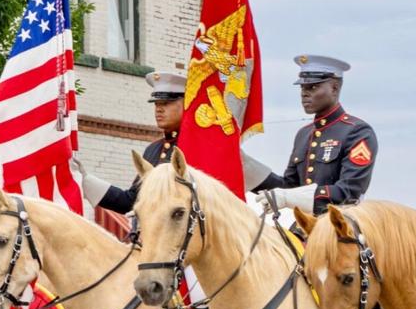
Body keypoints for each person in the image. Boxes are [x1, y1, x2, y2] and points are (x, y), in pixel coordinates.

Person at [75, 70, 277, 213]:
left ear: (187, 104)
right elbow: (132, 202)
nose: (159, 109)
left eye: (167, 103)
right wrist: (84, 180)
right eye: (156, 104)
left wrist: (237, 161)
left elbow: (277, 187)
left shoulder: (205, 146)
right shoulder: (153, 150)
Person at [251, 54, 378, 214]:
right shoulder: (304, 134)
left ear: (334, 88)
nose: (304, 93)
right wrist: (247, 168)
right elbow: (289, 187)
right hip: (304, 226)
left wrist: (288, 197)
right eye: (302, 88)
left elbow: (349, 192)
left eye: (312, 87)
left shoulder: (356, 131)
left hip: (340, 226)